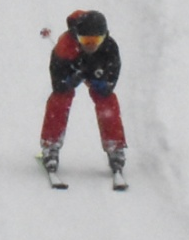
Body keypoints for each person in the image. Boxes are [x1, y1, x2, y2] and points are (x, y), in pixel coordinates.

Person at [40, 10, 126, 174]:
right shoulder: (65, 46)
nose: (90, 45)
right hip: (72, 70)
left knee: (107, 101)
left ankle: (115, 146)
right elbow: (57, 80)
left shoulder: (110, 48)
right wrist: (68, 82)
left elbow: (112, 76)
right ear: (77, 36)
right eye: (85, 40)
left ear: (104, 37)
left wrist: (104, 85)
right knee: (59, 99)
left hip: (96, 73)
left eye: (96, 40)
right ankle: (50, 145)